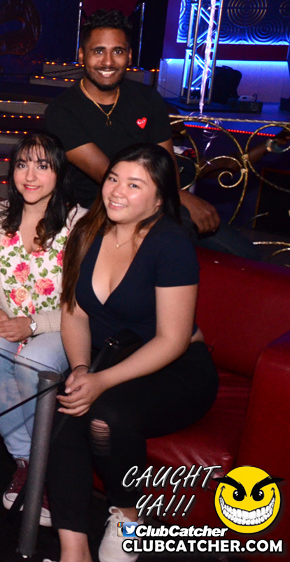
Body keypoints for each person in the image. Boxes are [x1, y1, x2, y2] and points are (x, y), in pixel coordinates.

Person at [48, 144, 218, 562]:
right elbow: (74, 313)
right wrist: (81, 368)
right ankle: (73, 550)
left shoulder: (171, 243)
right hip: (110, 360)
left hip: (177, 367)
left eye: (134, 184)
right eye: (113, 178)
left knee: (107, 414)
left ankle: (128, 516)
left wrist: (100, 380)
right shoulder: (86, 232)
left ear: (159, 199)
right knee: (65, 405)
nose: (117, 191)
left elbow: (172, 339)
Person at [44, 9, 259, 260]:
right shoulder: (62, 111)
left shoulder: (146, 98)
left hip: (155, 202)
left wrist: (175, 203)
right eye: (98, 51)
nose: (108, 62)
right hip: (99, 211)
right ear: (82, 55)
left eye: (118, 51)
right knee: (172, 247)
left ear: (129, 56)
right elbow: (110, 175)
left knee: (245, 254)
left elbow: (166, 162)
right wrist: (179, 198)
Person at [0, 131, 83, 526]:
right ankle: (27, 460)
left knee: (34, 362)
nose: (30, 175)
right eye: (23, 164)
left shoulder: (80, 224)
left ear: (60, 172)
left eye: (43, 166)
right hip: (8, 324)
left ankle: (47, 466)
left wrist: (35, 324)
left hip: (61, 328)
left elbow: (86, 302)